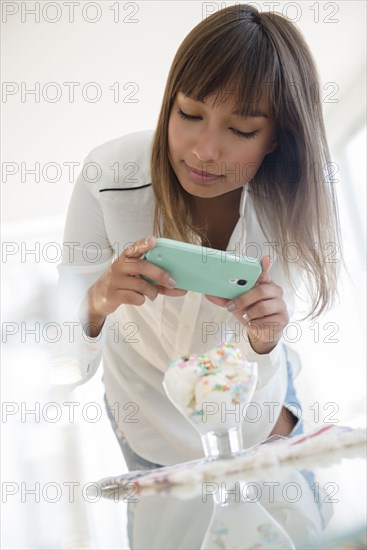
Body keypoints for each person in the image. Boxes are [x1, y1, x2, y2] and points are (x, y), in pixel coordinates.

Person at [54, 4, 341, 470]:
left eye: (242, 129)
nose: (205, 151)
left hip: (262, 418)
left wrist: (265, 338)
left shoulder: (293, 202)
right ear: (170, 102)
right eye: (189, 114)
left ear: (276, 138)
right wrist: (96, 302)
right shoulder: (108, 176)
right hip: (151, 429)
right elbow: (60, 361)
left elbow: (263, 349)